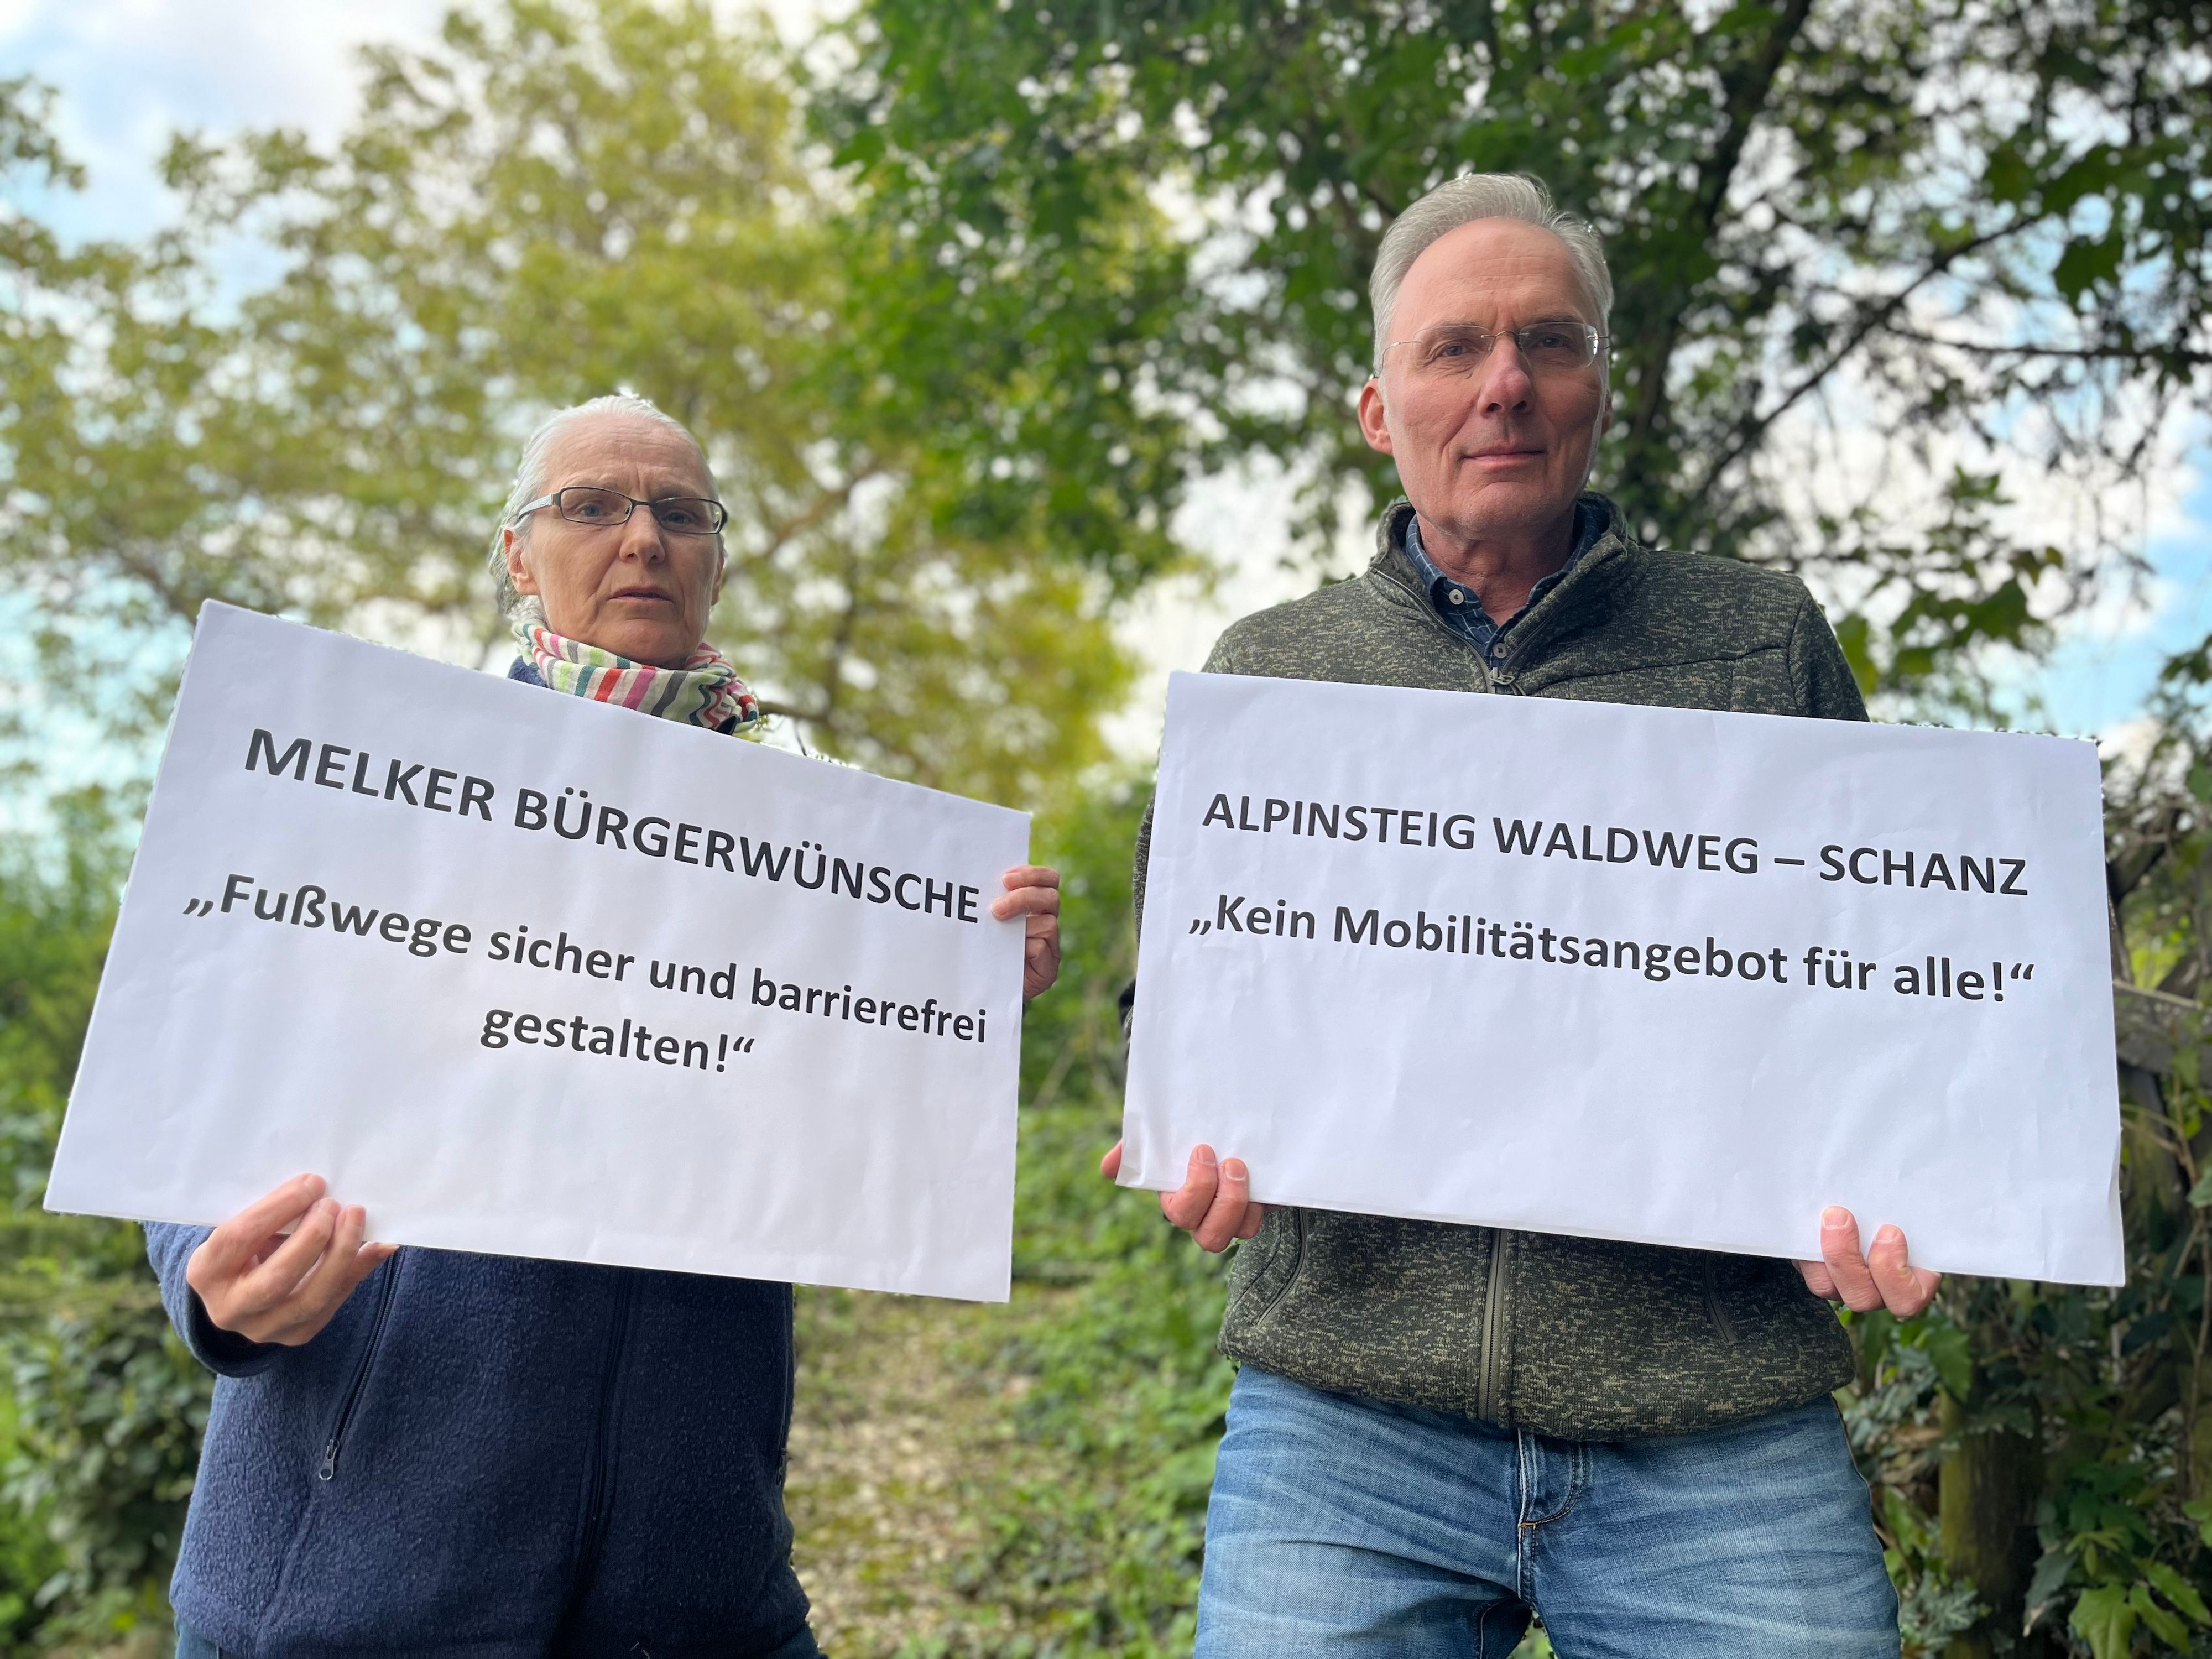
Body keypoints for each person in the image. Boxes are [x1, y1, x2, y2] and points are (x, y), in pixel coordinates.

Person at [1100, 176, 1936, 1656]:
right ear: (1379, 411)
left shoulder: (1758, 644)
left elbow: (1884, 993)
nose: (1505, 384)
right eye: (1454, 347)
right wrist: (1186, 1127)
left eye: (1549, 341)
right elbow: (1171, 1003)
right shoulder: (1269, 674)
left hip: (1715, 1418)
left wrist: (1904, 1178)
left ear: (1600, 387)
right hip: (1346, 1416)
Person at [147, 394, 1065, 1658]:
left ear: (717, 562)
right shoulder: (366, 777)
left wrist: (961, 1000)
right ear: (518, 556)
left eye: (679, 513)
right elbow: (192, 1065)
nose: (642, 538)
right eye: (590, 506)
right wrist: (207, 1276)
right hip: (348, 1600)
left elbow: (858, 1152)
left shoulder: (827, 837)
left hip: (698, 1597)